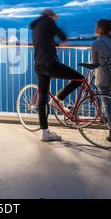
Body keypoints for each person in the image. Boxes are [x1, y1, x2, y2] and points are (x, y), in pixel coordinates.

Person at [30, 9, 85, 142]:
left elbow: (45, 42)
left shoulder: (36, 26)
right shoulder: (47, 20)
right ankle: (57, 99)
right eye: (54, 17)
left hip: (39, 65)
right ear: (50, 16)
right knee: (80, 79)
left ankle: (45, 132)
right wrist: (64, 39)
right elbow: (60, 34)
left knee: (42, 97)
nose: (55, 20)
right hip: (50, 64)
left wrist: (55, 44)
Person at [91, 19, 111, 144]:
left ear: (100, 29)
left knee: (107, 104)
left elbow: (95, 63)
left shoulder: (96, 44)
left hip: (103, 76)